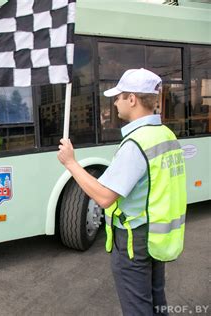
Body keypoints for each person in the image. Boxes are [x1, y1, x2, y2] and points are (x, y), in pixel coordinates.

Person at [57, 68, 186, 316]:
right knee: (156, 299)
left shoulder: (137, 143)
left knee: (137, 307)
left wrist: (71, 163)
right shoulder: (165, 134)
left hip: (133, 240)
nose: (115, 102)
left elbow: (105, 197)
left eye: (118, 96)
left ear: (132, 99)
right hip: (156, 236)